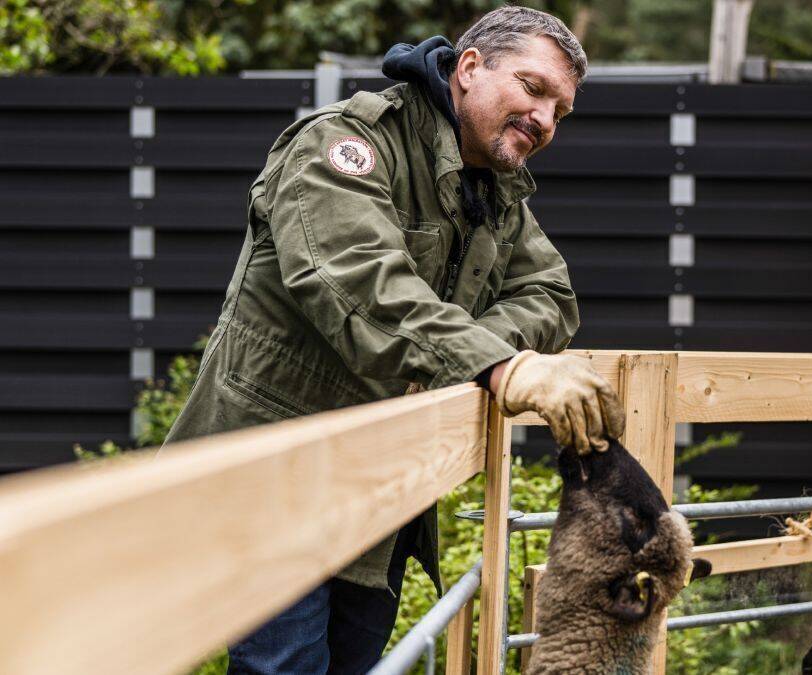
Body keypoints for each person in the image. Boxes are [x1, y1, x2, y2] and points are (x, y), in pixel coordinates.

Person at [161, 7, 622, 673]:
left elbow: (551, 293)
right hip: (274, 477)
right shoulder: (344, 145)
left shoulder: (494, 193)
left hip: (379, 490)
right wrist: (497, 365)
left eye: (561, 110)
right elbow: (361, 288)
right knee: (285, 667)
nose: (546, 119)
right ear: (470, 68)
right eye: (533, 88)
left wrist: (480, 352)